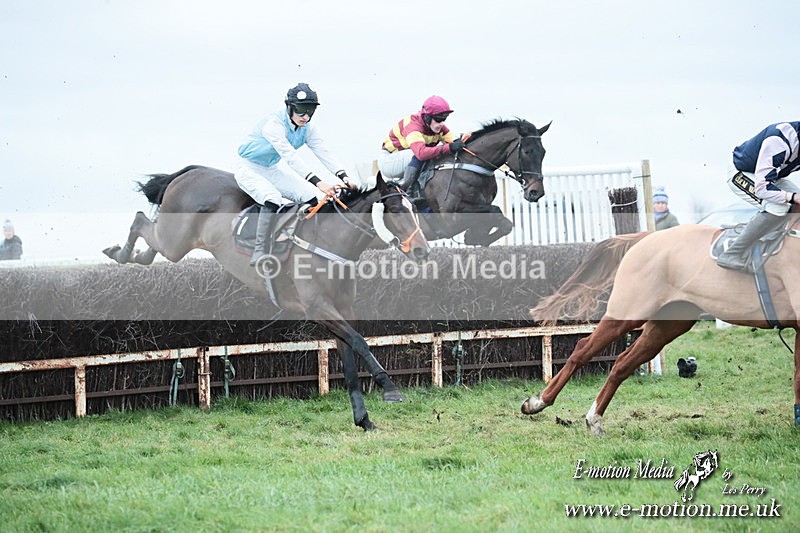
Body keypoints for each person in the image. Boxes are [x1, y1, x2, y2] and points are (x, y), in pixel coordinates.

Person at [235, 82, 358, 267]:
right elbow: (290, 157)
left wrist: (344, 177)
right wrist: (319, 182)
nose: (305, 116)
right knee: (272, 198)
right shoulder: (273, 125)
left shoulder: (308, 128)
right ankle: (260, 250)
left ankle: (305, 243)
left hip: (270, 169)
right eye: (300, 110)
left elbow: (323, 152)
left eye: (310, 111)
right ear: (290, 107)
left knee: (312, 197)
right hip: (248, 167)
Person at [717, 121, 800, 271]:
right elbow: (762, 188)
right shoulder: (779, 141)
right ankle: (733, 253)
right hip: (743, 173)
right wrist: (793, 197)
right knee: (778, 207)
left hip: (770, 176)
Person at [378, 95, 463, 190]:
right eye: (438, 119)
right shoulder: (413, 126)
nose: (441, 124)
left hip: (405, 159)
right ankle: (408, 190)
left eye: (444, 119)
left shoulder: (438, 127)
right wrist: (449, 147)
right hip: (388, 161)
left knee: (435, 154)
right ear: (427, 118)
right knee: (423, 154)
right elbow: (421, 154)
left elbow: (453, 141)